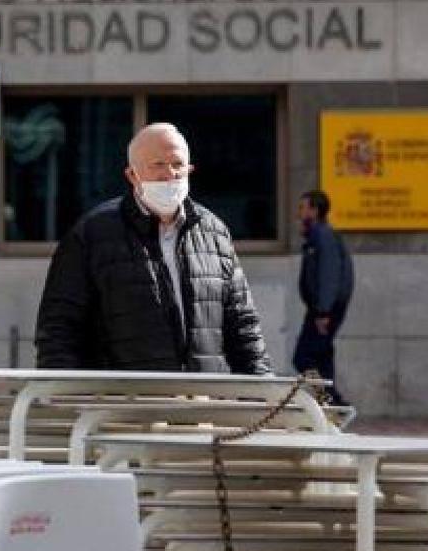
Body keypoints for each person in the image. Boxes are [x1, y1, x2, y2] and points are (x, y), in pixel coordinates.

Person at [35, 123, 272, 374]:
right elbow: (59, 330)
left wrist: (264, 389)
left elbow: (244, 327)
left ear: (190, 169)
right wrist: (67, 396)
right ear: (132, 175)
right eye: (158, 165)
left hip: (203, 402)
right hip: (125, 404)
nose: (170, 174)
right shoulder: (92, 235)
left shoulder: (214, 233)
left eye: (178, 164)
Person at [292, 189, 355, 404]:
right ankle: (331, 403)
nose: (299, 213)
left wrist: (323, 312)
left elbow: (328, 275)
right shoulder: (316, 236)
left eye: (303, 208)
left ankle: (331, 400)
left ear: (314, 210)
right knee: (322, 355)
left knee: (304, 357)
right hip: (320, 308)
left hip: (323, 310)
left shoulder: (322, 235)